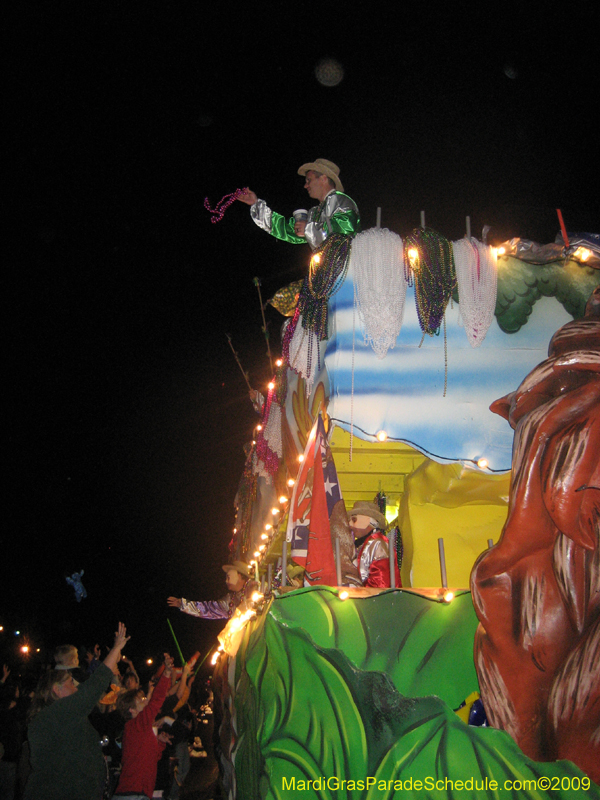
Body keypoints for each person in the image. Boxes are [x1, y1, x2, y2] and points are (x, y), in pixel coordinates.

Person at [24, 622, 130, 800]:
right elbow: (91, 689)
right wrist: (116, 648)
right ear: (56, 690)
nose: (76, 688)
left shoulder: (71, 717)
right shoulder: (52, 716)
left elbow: (104, 720)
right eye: (71, 683)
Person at [237, 158, 360, 252]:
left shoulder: (340, 200)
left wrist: (307, 228)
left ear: (323, 178)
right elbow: (287, 229)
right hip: (324, 274)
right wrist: (256, 204)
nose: (305, 186)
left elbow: (342, 232)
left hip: (346, 272)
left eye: (308, 180)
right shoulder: (314, 212)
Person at [113, 655, 175, 800]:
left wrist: (159, 742)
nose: (145, 700)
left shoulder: (140, 728)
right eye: (141, 700)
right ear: (132, 710)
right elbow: (156, 702)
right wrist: (166, 674)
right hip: (131, 794)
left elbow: (151, 757)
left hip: (139, 793)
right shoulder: (134, 725)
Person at [167, 561, 254, 620]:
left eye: (228, 577)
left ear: (239, 575)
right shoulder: (228, 601)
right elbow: (206, 609)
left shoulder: (255, 588)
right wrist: (183, 604)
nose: (226, 581)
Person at [349, 501, 401, 588]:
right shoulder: (365, 544)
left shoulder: (378, 543)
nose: (350, 525)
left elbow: (381, 582)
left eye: (354, 520)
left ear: (369, 520)